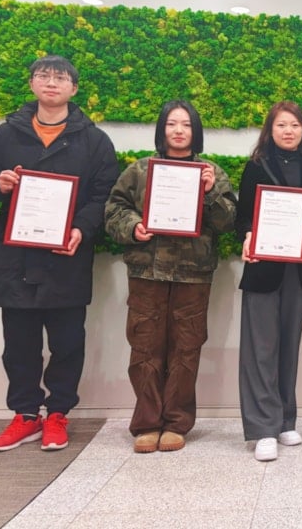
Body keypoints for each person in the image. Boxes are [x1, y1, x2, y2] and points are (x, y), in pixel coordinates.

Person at [0, 54, 120, 452]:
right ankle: (25, 415)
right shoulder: (7, 135)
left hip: (66, 255)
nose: (51, 82)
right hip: (16, 257)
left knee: (68, 342)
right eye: (43, 75)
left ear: (74, 87)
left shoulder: (94, 141)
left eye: (60, 77)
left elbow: (105, 194)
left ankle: (57, 414)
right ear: (32, 83)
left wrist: (81, 228)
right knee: (19, 343)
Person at [104, 99, 236, 453]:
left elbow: (228, 222)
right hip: (146, 271)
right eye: (172, 124)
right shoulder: (139, 170)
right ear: (162, 129)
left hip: (193, 275)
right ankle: (147, 423)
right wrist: (134, 227)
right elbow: (114, 209)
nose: (179, 130)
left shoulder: (212, 172)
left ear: (196, 131)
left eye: (186, 124)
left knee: (186, 349)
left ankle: (177, 422)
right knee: (145, 346)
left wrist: (210, 192)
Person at [236, 100, 302, 461]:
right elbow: (243, 217)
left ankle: (285, 420)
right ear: (270, 130)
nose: (288, 131)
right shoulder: (255, 166)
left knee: (289, 346)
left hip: (299, 269)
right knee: (260, 349)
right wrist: (247, 235)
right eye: (281, 125)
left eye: (294, 125)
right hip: (263, 266)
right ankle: (263, 427)